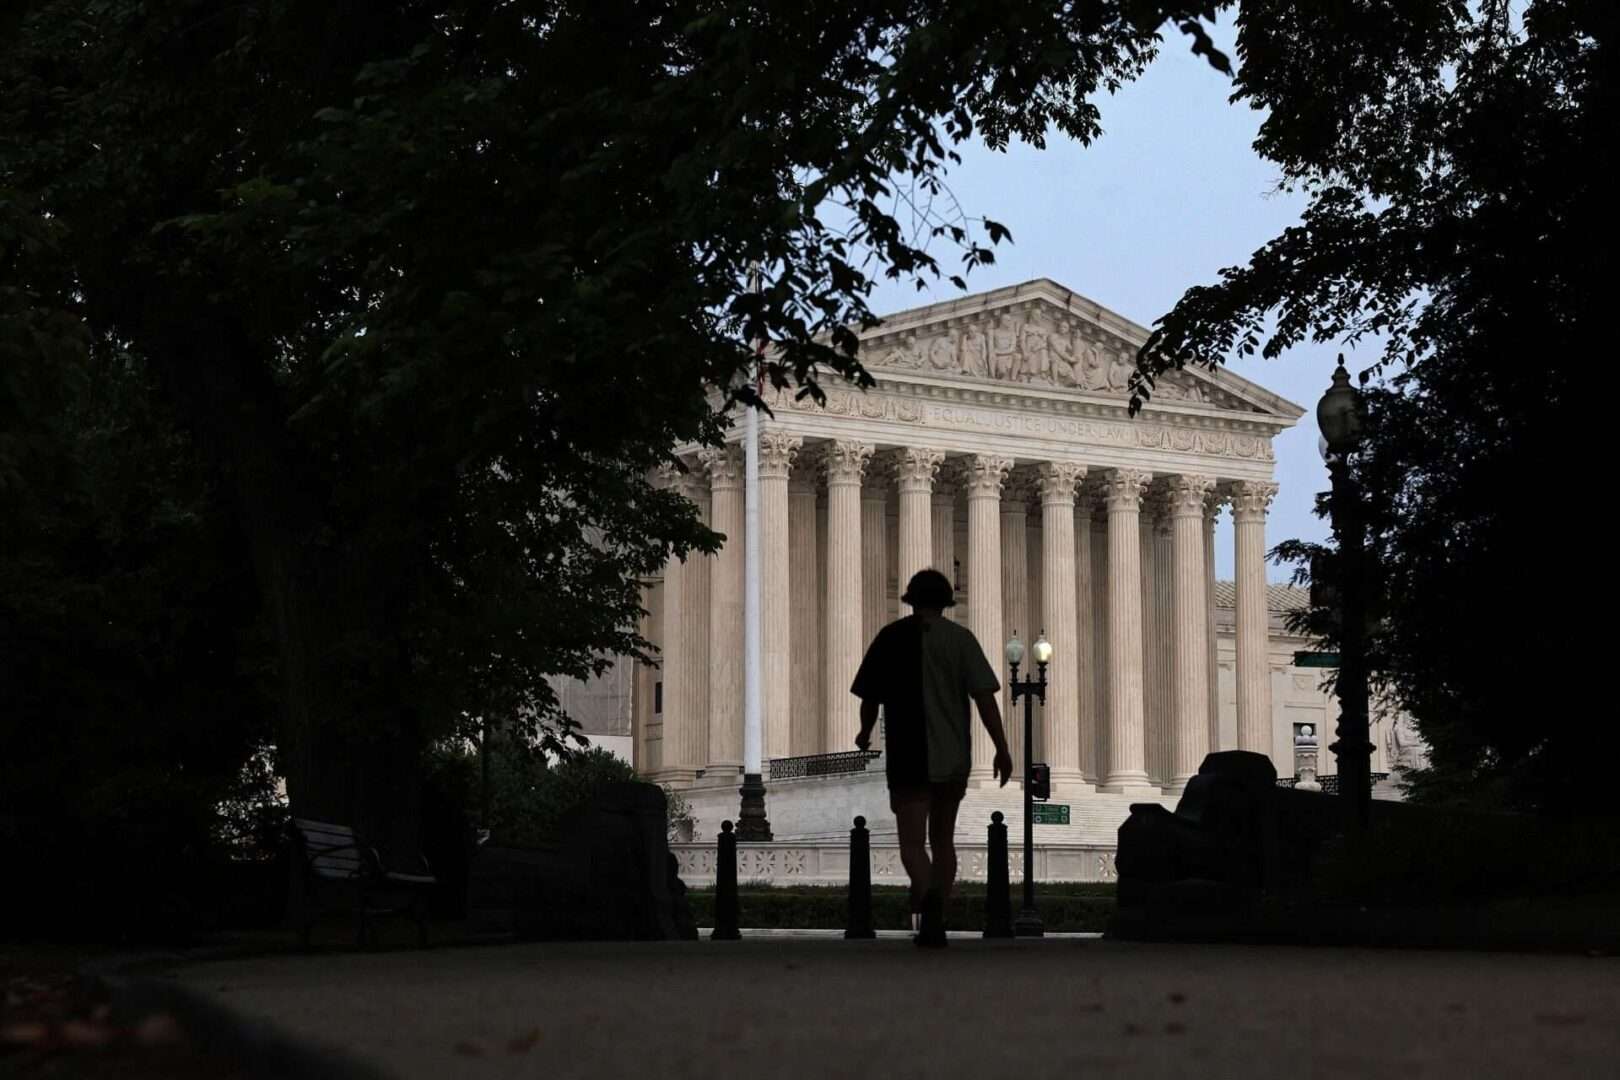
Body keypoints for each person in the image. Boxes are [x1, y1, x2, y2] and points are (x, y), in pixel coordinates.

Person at [850, 568, 1014, 947]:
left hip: (908, 755)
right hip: (952, 754)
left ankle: (928, 902)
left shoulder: (891, 638)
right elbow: (985, 699)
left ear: (910, 600)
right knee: (943, 841)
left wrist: (864, 731)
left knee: (911, 843)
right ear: (945, 601)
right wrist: (1001, 748)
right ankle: (938, 904)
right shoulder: (960, 640)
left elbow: (870, 697)